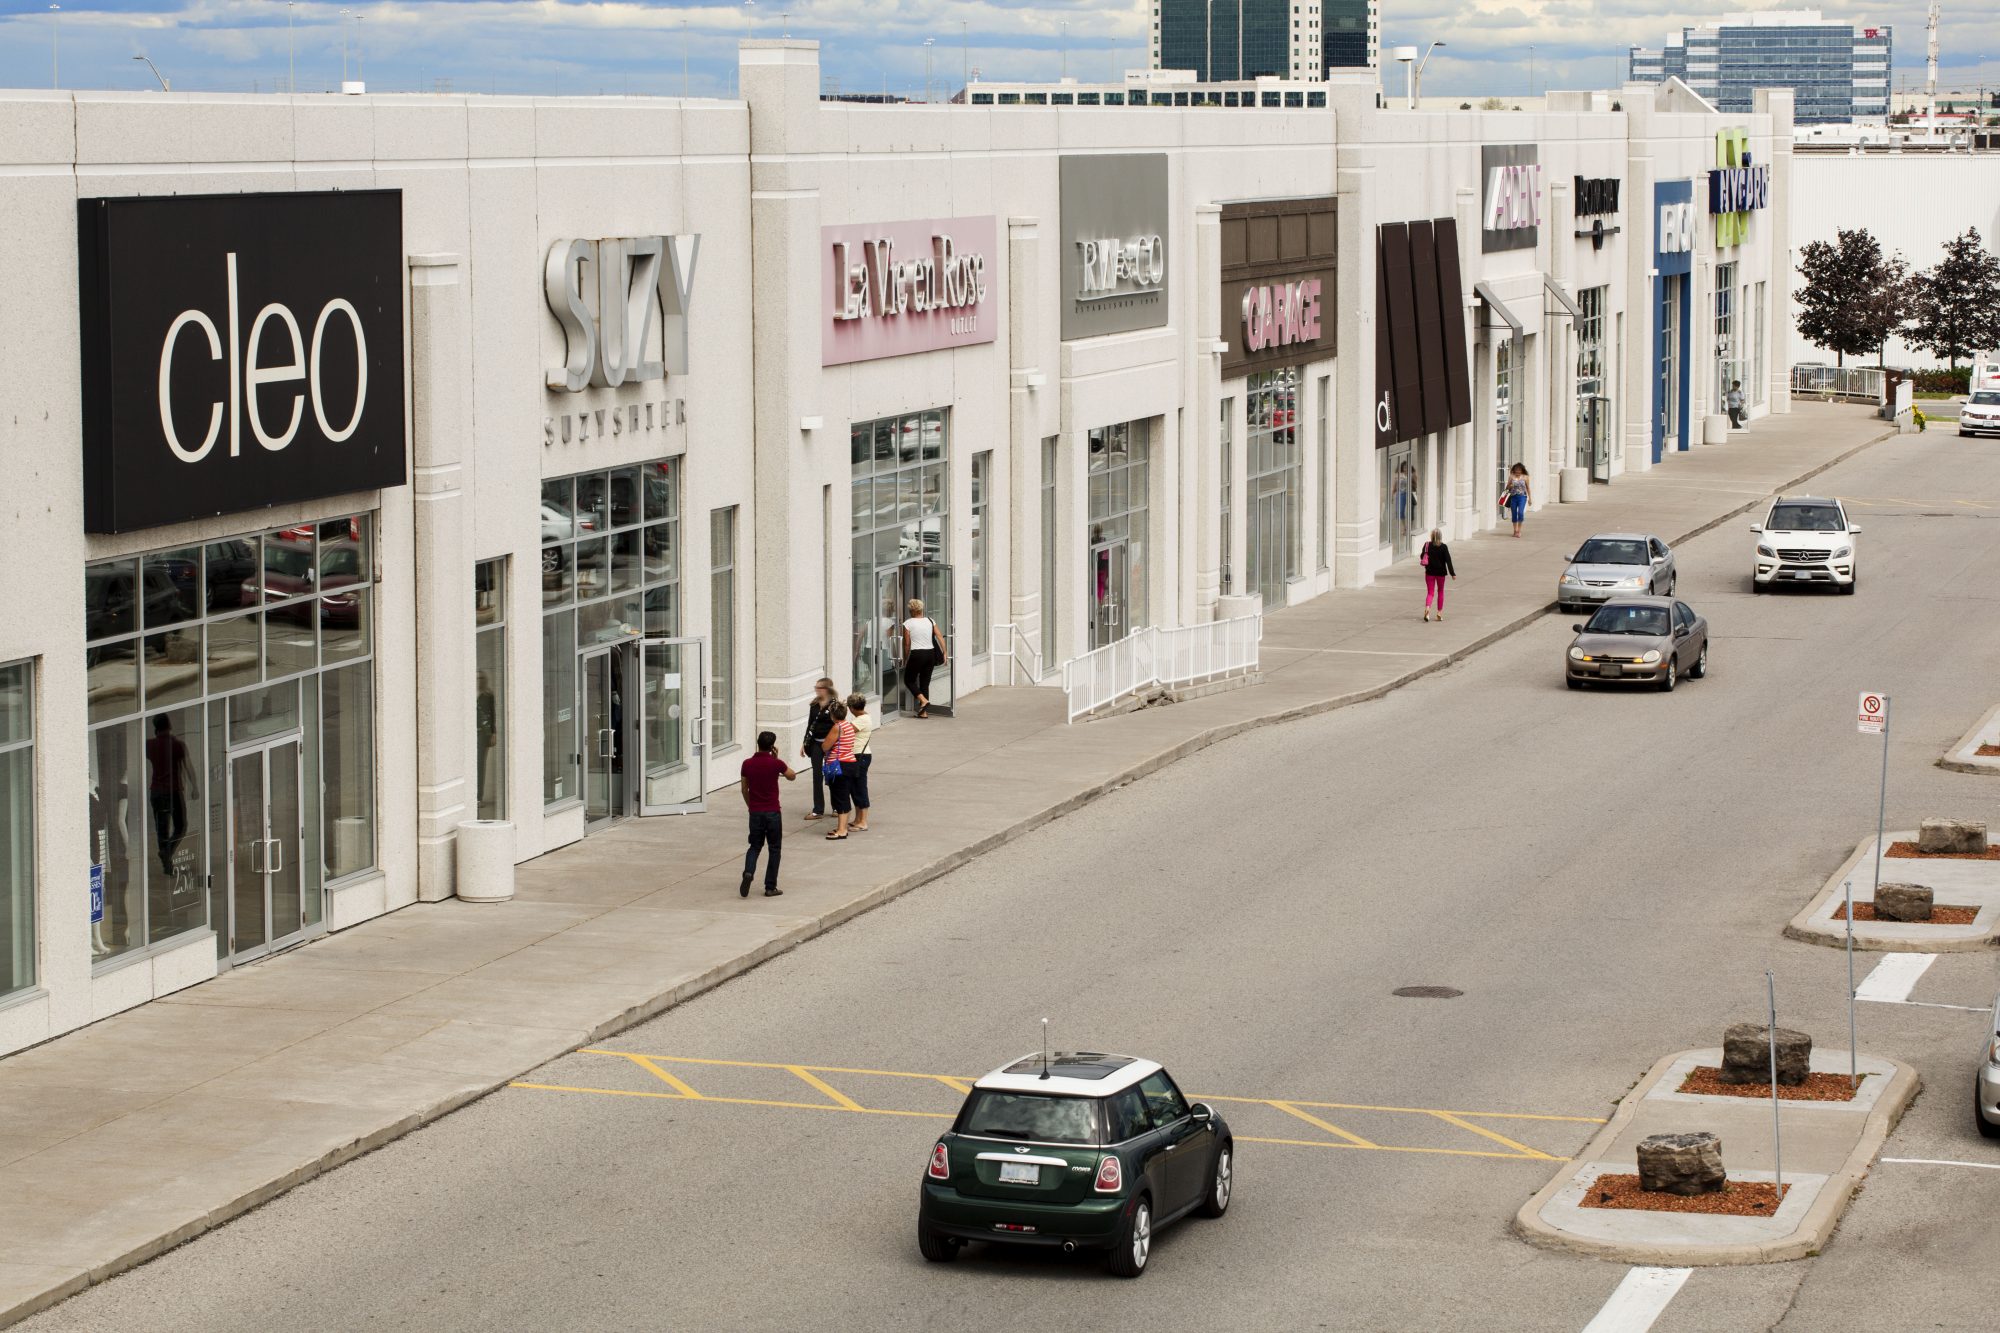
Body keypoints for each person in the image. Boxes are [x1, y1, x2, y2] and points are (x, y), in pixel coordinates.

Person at [738, 731, 797, 897]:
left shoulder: (747, 764)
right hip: (772, 812)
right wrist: (777, 759)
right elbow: (792, 776)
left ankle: (748, 872)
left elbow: (744, 789)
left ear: (758, 744)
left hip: (755, 812)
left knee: (755, 846)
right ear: (772, 747)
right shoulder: (776, 764)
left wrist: (751, 806)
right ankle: (770, 887)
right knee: (774, 848)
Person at [144, 714, 198, 878]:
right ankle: (166, 852)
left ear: (156, 728)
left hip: (156, 792)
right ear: (169, 726)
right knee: (180, 826)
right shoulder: (177, 745)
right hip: (173, 792)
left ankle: (167, 865)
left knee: (162, 830)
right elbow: (188, 766)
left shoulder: (149, 745)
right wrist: (195, 787)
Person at [901, 598, 948, 718]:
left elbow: (907, 644)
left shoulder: (908, 623)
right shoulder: (930, 621)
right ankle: (923, 712)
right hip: (930, 654)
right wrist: (945, 652)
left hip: (917, 654)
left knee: (909, 680)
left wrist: (905, 658)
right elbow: (939, 636)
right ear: (921, 609)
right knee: (924, 683)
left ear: (910, 610)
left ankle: (923, 700)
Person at [801, 678, 836, 821]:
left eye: (819, 687)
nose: (816, 690)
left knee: (832, 775)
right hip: (816, 743)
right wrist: (804, 743)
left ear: (827, 689)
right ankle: (818, 809)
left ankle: (836, 807)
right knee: (817, 775)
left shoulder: (834, 706)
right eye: (816, 687)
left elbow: (837, 725)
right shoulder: (814, 705)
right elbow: (810, 725)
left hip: (831, 744)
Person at [821, 701, 857, 839]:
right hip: (850, 763)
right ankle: (842, 827)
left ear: (832, 715)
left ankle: (842, 830)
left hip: (838, 766)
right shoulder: (849, 725)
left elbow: (825, 746)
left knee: (839, 797)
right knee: (844, 795)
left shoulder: (837, 727)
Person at [845, 693, 875, 832]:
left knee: (860, 787)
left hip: (860, 756)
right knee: (854, 788)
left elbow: (845, 732)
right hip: (857, 756)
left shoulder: (862, 720)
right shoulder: (863, 717)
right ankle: (858, 819)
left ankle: (863, 821)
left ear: (852, 708)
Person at [1419, 528, 1456, 622]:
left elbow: (1422, 556)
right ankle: (1439, 613)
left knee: (1430, 592)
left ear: (1432, 536)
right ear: (1440, 536)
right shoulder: (1444, 547)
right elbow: (1448, 561)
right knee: (1440, 591)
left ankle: (1427, 608)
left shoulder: (1427, 545)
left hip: (1429, 572)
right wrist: (1452, 573)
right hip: (1441, 573)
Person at [1499, 463, 1531, 538]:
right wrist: (1510, 486)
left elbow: (1528, 488)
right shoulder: (1511, 476)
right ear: (1514, 470)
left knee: (1520, 513)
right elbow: (1507, 488)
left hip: (1522, 497)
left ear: (1522, 470)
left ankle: (1519, 530)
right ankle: (1515, 530)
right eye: (1516, 470)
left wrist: (1530, 499)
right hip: (1513, 497)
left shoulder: (1525, 477)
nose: (1518, 472)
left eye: (1519, 470)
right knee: (1514, 514)